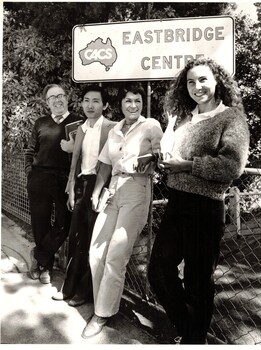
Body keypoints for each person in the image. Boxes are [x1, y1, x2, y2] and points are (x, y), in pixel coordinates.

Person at [147, 57, 250, 344]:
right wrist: (162, 161)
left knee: (197, 283)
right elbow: (173, 157)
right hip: (177, 203)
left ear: (217, 81)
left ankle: (193, 340)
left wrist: (187, 166)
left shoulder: (231, 118)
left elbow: (232, 166)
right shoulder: (183, 119)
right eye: (191, 82)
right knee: (158, 271)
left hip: (206, 207)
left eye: (203, 79)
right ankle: (190, 332)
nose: (197, 87)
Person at [81, 82, 163, 338]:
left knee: (116, 254)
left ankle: (102, 314)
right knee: (96, 252)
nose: (133, 105)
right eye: (128, 100)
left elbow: (161, 152)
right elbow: (105, 164)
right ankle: (104, 304)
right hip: (113, 190)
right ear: (121, 104)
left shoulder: (151, 125)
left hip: (137, 187)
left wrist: (155, 157)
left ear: (142, 104)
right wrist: (96, 193)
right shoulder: (116, 129)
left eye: (137, 101)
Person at [52, 85, 116, 306]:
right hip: (80, 185)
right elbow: (75, 163)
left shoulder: (112, 128)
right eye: (86, 100)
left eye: (96, 101)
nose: (90, 105)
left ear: (105, 105)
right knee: (75, 237)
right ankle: (68, 288)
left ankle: (85, 291)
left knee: (93, 242)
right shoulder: (80, 129)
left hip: (100, 187)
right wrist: (71, 189)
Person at [25, 84, 82, 284]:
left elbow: (87, 154)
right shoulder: (40, 122)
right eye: (52, 97)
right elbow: (30, 151)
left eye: (60, 95)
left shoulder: (78, 123)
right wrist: (29, 174)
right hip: (39, 179)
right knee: (40, 224)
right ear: (47, 102)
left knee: (63, 224)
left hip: (65, 180)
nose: (57, 100)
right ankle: (45, 267)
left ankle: (39, 256)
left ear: (67, 98)